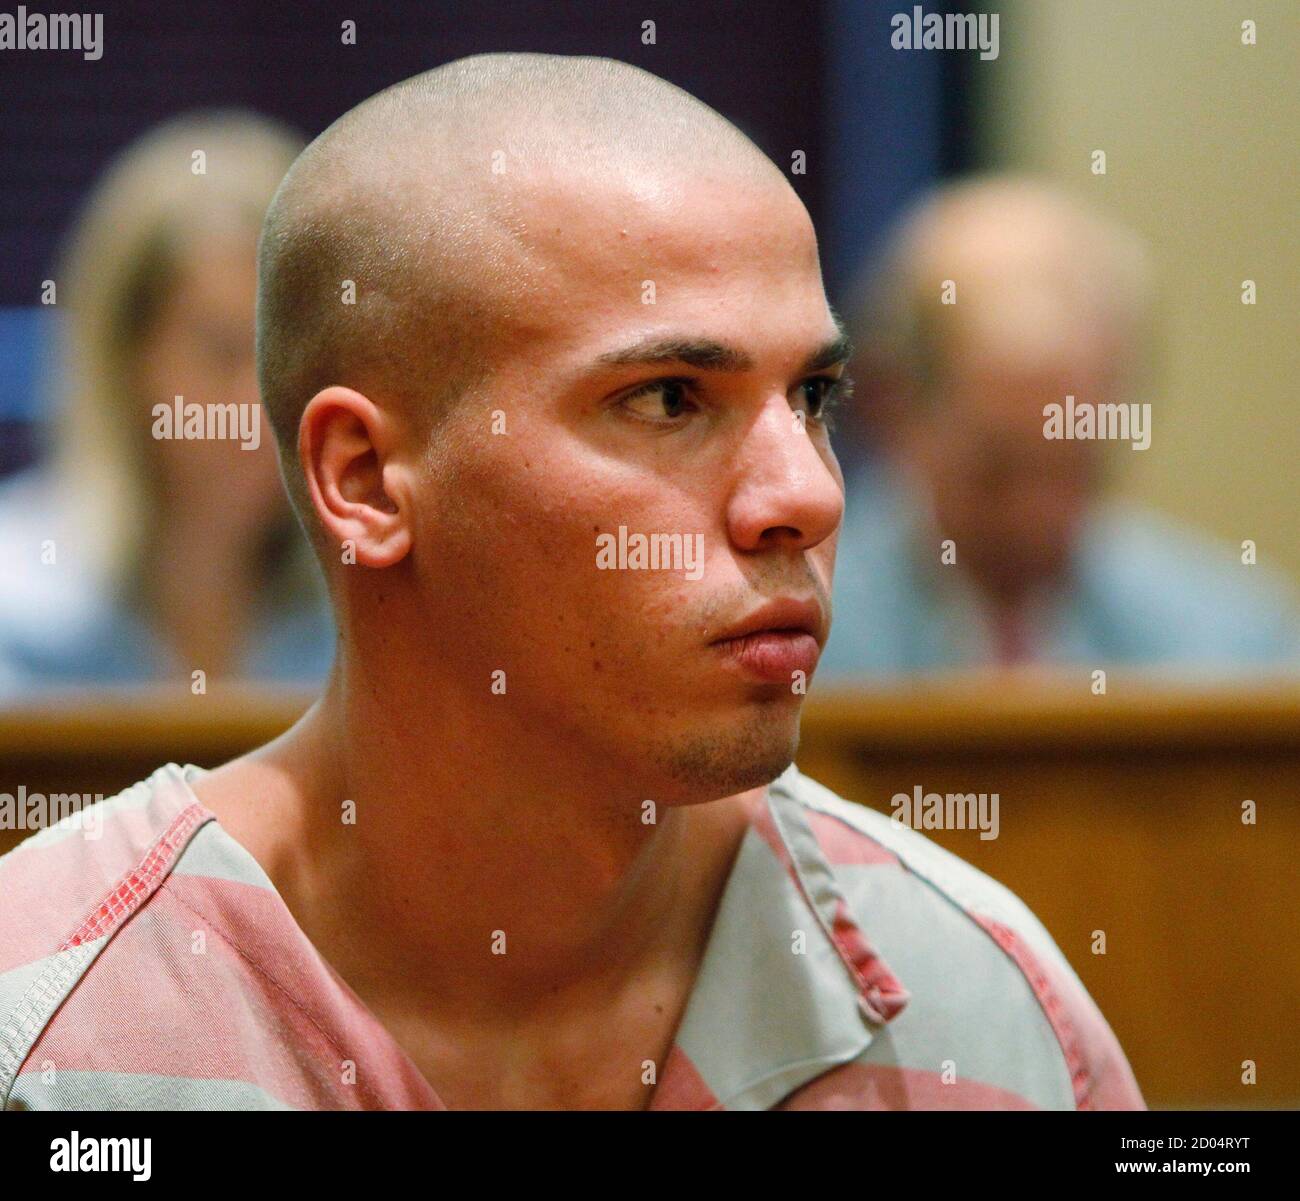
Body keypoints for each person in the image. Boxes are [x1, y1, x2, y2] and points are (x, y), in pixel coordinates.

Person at [0, 54, 1143, 1111]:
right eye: (669, 399)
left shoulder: (989, 1019)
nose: (807, 493)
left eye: (813, 397)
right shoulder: (50, 1030)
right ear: (367, 481)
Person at [818, 176, 1300, 678]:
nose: (1037, 516)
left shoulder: (1238, 648)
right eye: (997, 471)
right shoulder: (800, 640)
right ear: (892, 406)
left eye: (1076, 468)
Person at [0, 111, 333, 694]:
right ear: (126, 361)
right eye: (223, 351)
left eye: (284, 350)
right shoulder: (16, 600)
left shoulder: (370, 612)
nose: (257, 401)